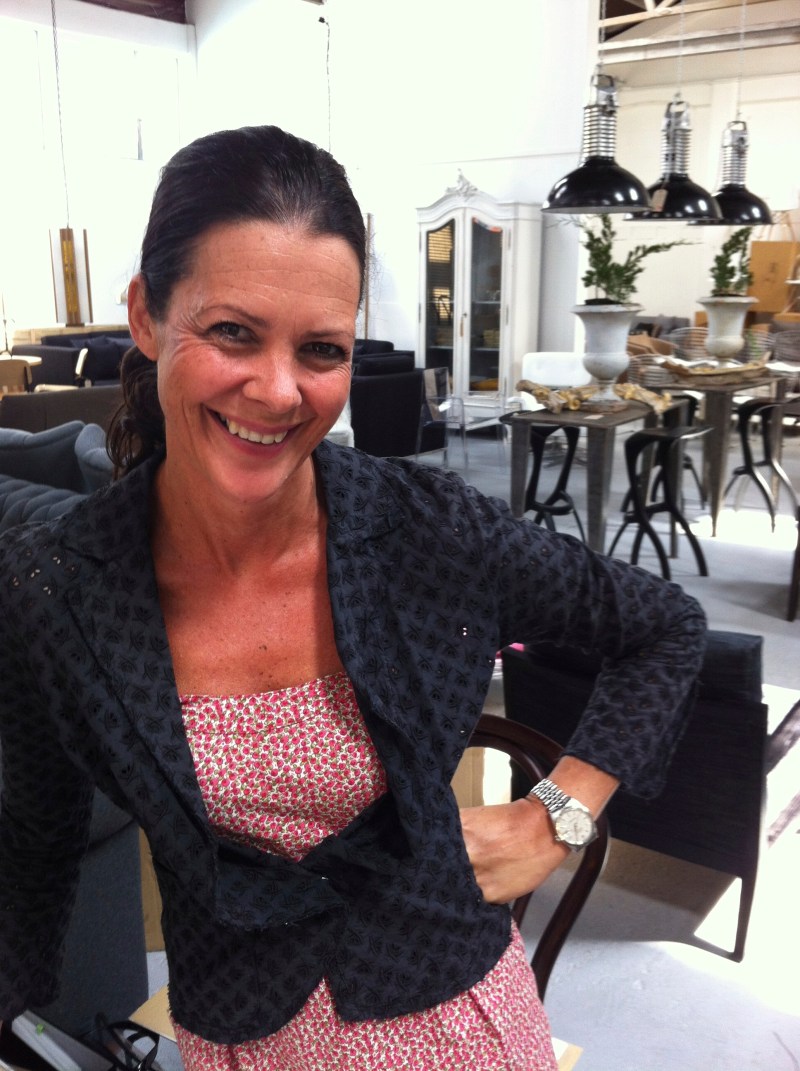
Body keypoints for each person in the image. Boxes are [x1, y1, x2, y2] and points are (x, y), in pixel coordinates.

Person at [0, 125, 706, 1071]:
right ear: (146, 316)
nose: (277, 391)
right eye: (232, 331)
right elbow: (38, 841)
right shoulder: (59, 590)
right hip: (237, 1033)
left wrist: (557, 815)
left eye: (321, 349)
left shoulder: (428, 532)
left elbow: (664, 627)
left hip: (453, 1022)